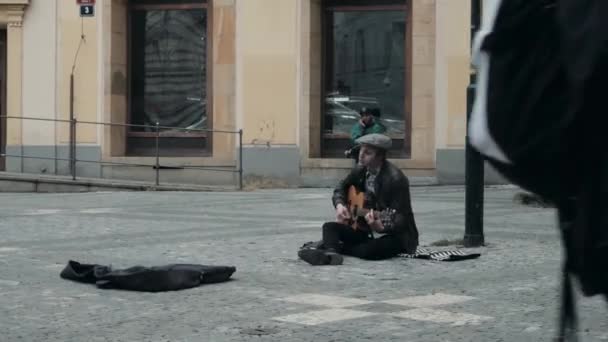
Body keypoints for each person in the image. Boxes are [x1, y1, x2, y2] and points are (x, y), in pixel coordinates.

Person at [299, 133, 419, 266]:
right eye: (361, 150)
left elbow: (401, 219)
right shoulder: (361, 168)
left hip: (397, 237)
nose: (361, 155)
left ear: (380, 156)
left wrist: (380, 227)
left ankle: (328, 248)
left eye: (368, 152)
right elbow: (341, 188)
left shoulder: (396, 179)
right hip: (365, 229)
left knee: (369, 251)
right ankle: (331, 253)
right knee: (329, 227)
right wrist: (340, 205)